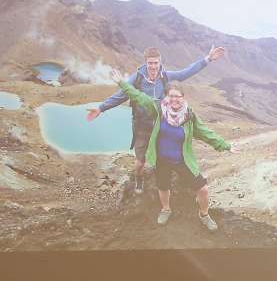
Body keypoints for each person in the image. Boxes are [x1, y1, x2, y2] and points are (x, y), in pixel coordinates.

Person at [87, 45, 226, 192]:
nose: (153, 66)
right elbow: (120, 95)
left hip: (160, 125)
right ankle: (138, 178)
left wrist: (208, 59)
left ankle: (165, 183)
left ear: (160, 63)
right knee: (141, 161)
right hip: (141, 125)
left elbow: (186, 72)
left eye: (155, 63)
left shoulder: (165, 77)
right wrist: (101, 108)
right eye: (150, 63)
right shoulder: (137, 79)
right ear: (145, 63)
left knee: (163, 158)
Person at [118, 79, 231, 231]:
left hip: (182, 160)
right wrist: (121, 83)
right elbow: (139, 97)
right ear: (167, 97)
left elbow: (205, 132)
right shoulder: (158, 109)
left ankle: (204, 215)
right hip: (162, 160)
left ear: (183, 97)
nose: (174, 99)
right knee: (163, 186)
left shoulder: (189, 116)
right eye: (171, 96)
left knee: (202, 188)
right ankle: (166, 209)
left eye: (178, 96)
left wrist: (225, 145)